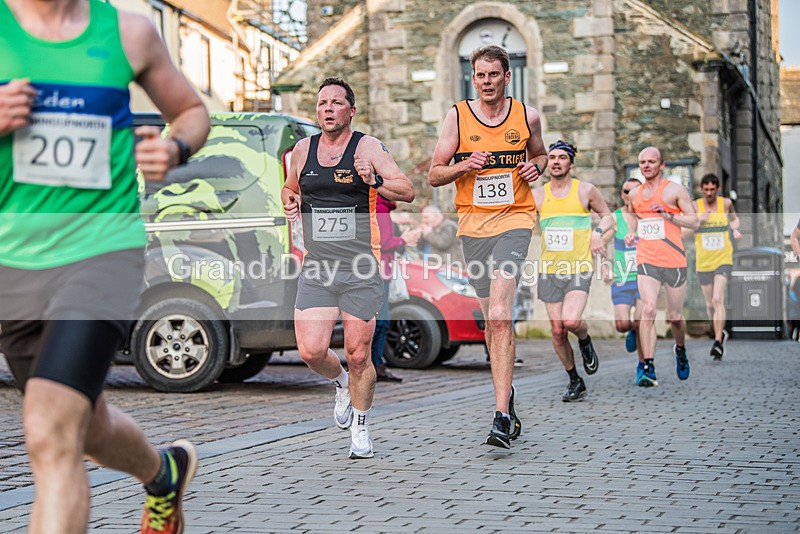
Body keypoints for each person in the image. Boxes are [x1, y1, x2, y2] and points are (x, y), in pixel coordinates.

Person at [0, 0, 211, 532]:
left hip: (102, 251)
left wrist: (175, 148)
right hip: (14, 264)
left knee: (50, 430)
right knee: (84, 426)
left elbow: (191, 110)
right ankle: (163, 472)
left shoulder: (129, 32)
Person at [281, 78, 414, 459]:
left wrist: (374, 179)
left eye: (336, 103)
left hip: (360, 264)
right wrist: (290, 201)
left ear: (350, 111)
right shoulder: (302, 150)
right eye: (322, 102)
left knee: (359, 354)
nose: (327, 108)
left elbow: (407, 191)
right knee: (310, 350)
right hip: (319, 265)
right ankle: (340, 383)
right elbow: (290, 188)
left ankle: (360, 424)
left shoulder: (368, 147)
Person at [428, 45, 547, 449]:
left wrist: (537, 167)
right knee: (489, 321)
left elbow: (541, 155)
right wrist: (465, 165)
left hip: (515, 220)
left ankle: (499, 416)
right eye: (480, 75)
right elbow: (434, 173)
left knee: (500, 314)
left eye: (493, 75)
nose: (486, 82)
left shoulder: (526, 116)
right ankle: (505, 390)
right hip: (473, 227)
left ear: (507, 76)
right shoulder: (457, 117)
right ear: (472, 77)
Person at [532, 140, 613, 402]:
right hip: (549, 269)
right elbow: (518, 223)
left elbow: (609, 217)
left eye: (562, 158)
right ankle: (574, 380)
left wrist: (598, 233)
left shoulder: (585, 191)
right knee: (557, 331)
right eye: (552, 157)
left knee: (571, 321)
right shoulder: (538, 195)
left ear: (571, 163)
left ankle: (585, 339)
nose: (555, 161)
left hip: (578, 267)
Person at [624, 147, 699, 387]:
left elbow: (694, 220)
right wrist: (631, 233)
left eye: (651, 162)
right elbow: (632, 215)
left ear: (661, 165)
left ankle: (680, 348)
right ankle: (648, 365)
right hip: (646, 259)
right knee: (647, 311)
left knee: (675, 318)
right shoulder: (635, 193)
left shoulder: (675, 191)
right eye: (642, 162)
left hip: (674, 259)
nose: (646, 166)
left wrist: (669, 216)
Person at [688, 173, 742, 360]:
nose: (709, 193)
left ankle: (718, 341)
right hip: (704, 261)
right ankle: (719, 331)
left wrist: (735, 229)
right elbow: (684, 233)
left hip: (723, 259)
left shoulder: (725, 204)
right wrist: (698, 222)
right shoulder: (695, 206)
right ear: (701, 189)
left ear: (717, 189)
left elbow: (734, 219)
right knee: (710, 304)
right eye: (706, 190)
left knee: (719, 298)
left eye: (713, 189)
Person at [372, 194, 421, 382]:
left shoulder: (378, 206)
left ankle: (376, 364)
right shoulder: (381, 208)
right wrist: (404, 239)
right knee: (381, 321)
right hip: (380, 271)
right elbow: (383, 242)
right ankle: (375, 365)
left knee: (379, 320)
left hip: (377, 270)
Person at [603, 178, 645, 382]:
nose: (631, 195)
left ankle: (643, 366)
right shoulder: (616, 218)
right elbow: (601, 243)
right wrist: (604, 265)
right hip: (622, 278)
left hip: (644, 278)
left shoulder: (647, 218)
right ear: (623, 194)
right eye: (628, 191)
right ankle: (632, 332)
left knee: (642, 321)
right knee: (622, 324)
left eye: (636, 190)